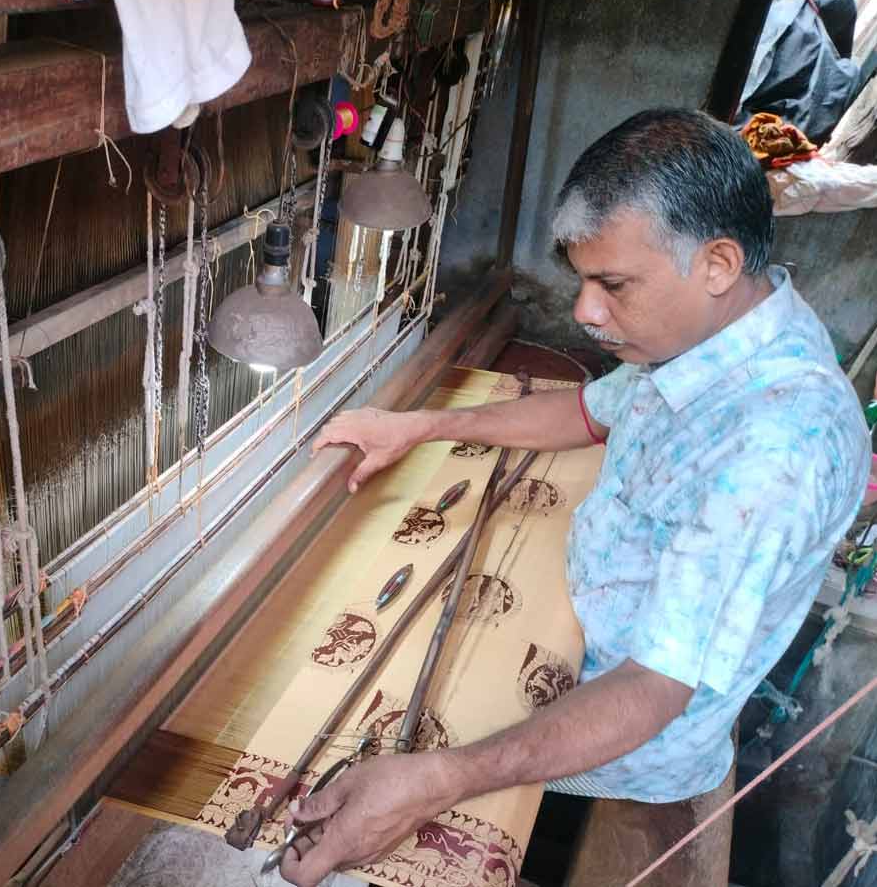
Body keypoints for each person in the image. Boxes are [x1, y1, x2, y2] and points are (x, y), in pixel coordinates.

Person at [279, 108, 870, 887]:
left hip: (620, 741)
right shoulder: (710, 339)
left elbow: (653, 690)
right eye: (584, 280)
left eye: (612, 284)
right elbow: (589, 412)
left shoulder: (776, 447)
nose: (587, 312)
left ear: (719, 263)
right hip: (576, 642)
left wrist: (438, 781)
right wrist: (417, 425)